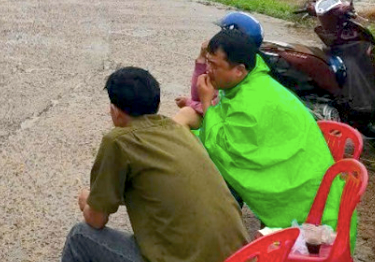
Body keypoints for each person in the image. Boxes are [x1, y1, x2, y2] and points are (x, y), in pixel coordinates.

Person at [61, 66, 248, 262]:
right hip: (242, 255)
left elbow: (96, 219)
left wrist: (87, 201)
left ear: (115, 111)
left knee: (80, 236)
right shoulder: (177, 130)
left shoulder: (118, 140)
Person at [176, 29, 346, 232]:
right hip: (299, 172)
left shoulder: (252, 97)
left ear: (239, 69)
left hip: (305, 197)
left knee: (213, 172)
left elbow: (224, 148)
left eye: (213, 65)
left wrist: (205, 101)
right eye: (208, 62)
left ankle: (212, 228)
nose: (208, 70)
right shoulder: (248, 81)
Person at [173, 12, 263, 127]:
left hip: (218, 122)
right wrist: (202, 58)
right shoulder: (228, 67)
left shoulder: (230, 76)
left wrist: (189, 103)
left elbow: (209, 105)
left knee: (186, 113)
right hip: (214, 117)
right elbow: (199, 95)